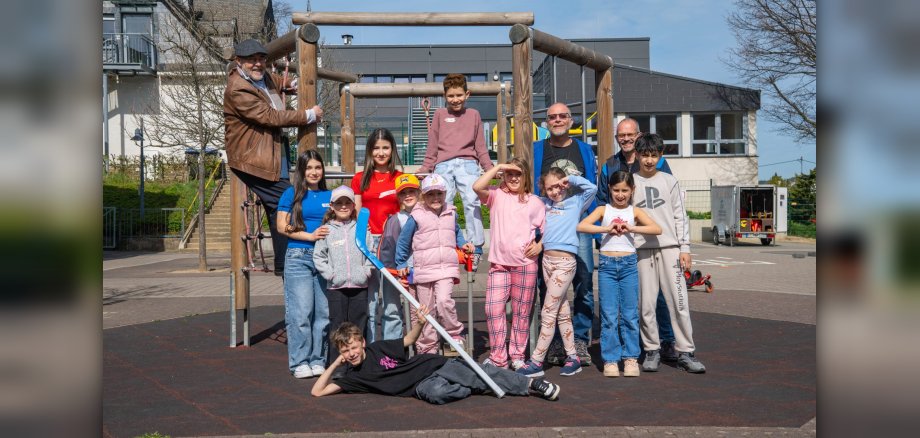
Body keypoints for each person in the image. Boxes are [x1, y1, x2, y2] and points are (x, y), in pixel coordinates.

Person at [311, 305, 561, 404]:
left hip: (431, 366)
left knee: (477, 374)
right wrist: (335, 364)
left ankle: (531, 385)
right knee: (439, 394)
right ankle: (472, 380)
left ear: (362, 342)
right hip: (422, 387)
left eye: (354, 347)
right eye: (346, 351)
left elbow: (409, 340)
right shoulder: (352, 377)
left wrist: (420, 322)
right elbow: (317, 391)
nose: (352, 353)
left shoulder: (378, 348)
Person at [224, 38, 323, 276]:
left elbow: (277, 81)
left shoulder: (263, 77)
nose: (258, 64)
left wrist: (293, 83)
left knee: (276, 207)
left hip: (270, 153)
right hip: (251, 160)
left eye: (261, 59)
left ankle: (284, 264)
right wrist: (308, 115)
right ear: (239, 62)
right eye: (251, 61)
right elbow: (269, 116)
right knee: (287, 199)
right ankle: (290, 261)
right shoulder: (238, 88)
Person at [596, 118, 679, 363]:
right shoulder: (609, 165)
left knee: (661, 295)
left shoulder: (659, 162)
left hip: (652, 238)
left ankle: (666, 341)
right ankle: (638, 343)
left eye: (630, 134)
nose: (625, 139)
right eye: (621, 135)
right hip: (621, 241)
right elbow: (602, 200)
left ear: (638, 135)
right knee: (634, 297)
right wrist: (608, 228)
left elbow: (668, 197)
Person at [631, 134, 706, 374]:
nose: (649, 160)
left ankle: (685, 351)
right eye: (645, 155)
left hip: (670, 248)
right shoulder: (630, 182)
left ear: (661, 156)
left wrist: (685, 248)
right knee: (646, 304)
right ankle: (651, 349)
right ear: (638, 155)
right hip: (641, 250)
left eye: (654, 155)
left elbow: (680, 216)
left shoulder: (669, 181)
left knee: (678, 302)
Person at [531, 102, 598, 366]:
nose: (557, 120)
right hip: (548, 225)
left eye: (562, 116)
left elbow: (591, 188)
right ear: (546, 122)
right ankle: (557, 340)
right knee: (546, 284)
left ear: (571, 120)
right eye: (552, 117)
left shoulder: (583, 149)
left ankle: (579, 338)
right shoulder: (537, 149)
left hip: (577, 225)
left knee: (583, 282)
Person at [577, 170, 662, 378]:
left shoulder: (634, 211)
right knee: (609, 315)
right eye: (616, 190)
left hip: (628, 265)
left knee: (630, 315)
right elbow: (581, 225)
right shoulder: (602, 209)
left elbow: (656, 229)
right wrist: (606, 229)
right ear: (610, 189)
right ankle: (611, 360)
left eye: (625, 190)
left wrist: (631, 228)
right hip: (606, 265)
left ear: (632, 190)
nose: (621, 194)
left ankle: (631, 358)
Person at [517, 169, 597, 378]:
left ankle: (536, 360)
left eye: (558, 186)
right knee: (561, 312)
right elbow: (526, 199)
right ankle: (573, 357)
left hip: (565, 262)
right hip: (547, 261)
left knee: (548, 311)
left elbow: (592, 188)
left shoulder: (576, 203)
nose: (554, 191)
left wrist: (569, 179)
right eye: (549, 187)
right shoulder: (544, 204)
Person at [473, 158, 545, 370]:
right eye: (510, 174)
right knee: (492, 309)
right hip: (499, 265)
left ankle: (517, 355)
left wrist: (540, 246)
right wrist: (499, 167)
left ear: (526, 178)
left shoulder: (535, 202)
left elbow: (548, 229)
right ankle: (498, 357)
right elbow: (477, 186)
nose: (514, 178)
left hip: (525, 264)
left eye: (518, 174)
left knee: (521, 312)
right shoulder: (496, 195)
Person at [418, 73, 494, 270]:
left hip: (468, 163)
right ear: (444, 96)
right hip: (443, 164)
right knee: (444, 203)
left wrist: (490, 170)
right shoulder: (440, 115)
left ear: (467, 94)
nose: (455, 100)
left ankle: (476, 247)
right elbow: (432, 145)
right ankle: (449, 244)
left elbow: (481, 147)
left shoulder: (473, 115)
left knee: (471, 202)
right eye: (451, 96)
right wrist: (426, 168)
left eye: (459, 95)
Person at [394, 174, 472, 355]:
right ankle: (427, 348)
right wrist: (401, 263)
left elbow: (456, 231)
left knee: (444, 301)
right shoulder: (417, 216)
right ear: (423, 195)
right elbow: (403, 242)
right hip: (423, 270)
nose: (435, 198)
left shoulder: (451, 212)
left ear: (445, 194)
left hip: (445, 268)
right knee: (425, 311)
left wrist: (463, 244)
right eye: (430, 194)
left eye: (439, 194)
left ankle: (454, 334)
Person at [276, 150, 332, 379]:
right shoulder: (292, 194)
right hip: (299, 256)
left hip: (325, 258)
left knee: (323, 313)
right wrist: (309, 236)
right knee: (301, 313)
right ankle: (300, 361)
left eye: (317, 167)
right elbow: (282, 226)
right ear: (301, 170)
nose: (314, 172)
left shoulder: (330, 195)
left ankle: (318, 359)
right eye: (309, 168)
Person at [351, 128, 403, 343]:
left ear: (392, 150)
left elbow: (407, 212)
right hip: (368, 244)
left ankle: (392, 350)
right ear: (370, 151)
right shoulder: (360, 178)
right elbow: (356, 211)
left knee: (391, 303)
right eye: (376, 148)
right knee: (370, 302)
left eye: (386, 148)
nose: (381, 153)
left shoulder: (400, 178)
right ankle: (371, 349)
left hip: (392, 244)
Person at [313, 186, 372, 370]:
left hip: (359, 285)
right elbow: (319, 256)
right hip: (336, 287)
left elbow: (370, 252)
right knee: (337, 327)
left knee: (358, 325)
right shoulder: (326, 230)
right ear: (332, 206)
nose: (344, 206)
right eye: (339, 203)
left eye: (347, 202)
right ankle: (338, 367)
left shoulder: (361, 228)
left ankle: (361, 366)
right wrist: (330, 274)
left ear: (354, 205)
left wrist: (366, 271)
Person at [376, 174, 421, 347]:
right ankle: (393, 348)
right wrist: (392, 273)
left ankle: (423, 346)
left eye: (412, 191)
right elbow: (388, 247)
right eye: (403, 193)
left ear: (419, 192)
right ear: (399, 197)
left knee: (421, 311)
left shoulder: (428, 214)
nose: (408, 196)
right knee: (393, 309)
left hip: (422, 270)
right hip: (400, 271)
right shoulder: (396, 219)